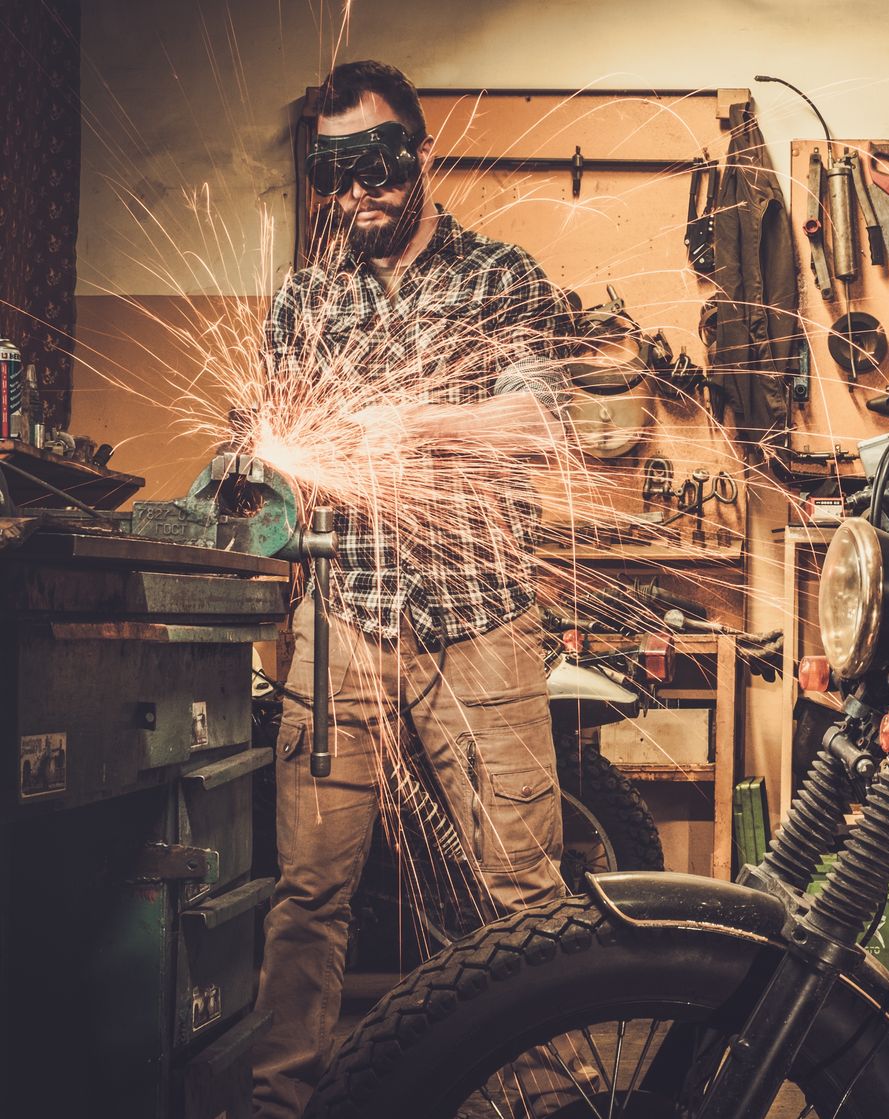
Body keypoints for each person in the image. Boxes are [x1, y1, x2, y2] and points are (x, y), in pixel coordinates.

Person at [251, 59, 576, 1118]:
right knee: (308, 891)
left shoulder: (501, 278)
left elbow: (536, 423)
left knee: (519, 890)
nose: (362, 199)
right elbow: (273, 448)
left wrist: (417, 421)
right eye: (338, 180)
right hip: (340, 620)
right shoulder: (307, 298)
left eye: (381, 170)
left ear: (420, 152)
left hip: (479, 618)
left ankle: (540, 1096)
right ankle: (280, 1098)